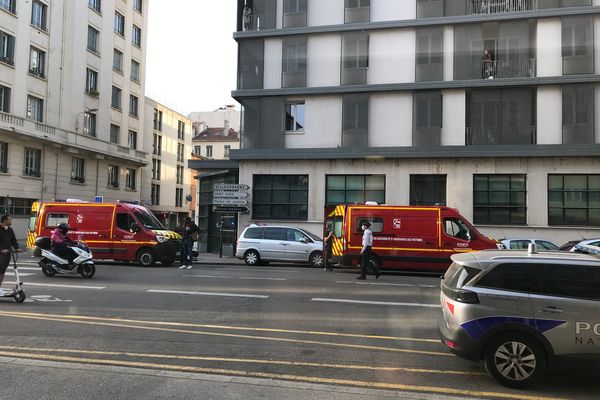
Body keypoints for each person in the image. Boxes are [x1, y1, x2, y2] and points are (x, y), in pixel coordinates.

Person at [0, 215, 22, 296]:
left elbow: (13, 240)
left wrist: (17, 248)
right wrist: (1, 250)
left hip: (7, 254)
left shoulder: (9, 229)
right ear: (5, 221)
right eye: (10, 219)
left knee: (2, 271)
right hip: (1, 253)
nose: (11, 221)